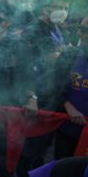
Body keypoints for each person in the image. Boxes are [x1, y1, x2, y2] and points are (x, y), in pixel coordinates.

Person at [52, 17, 88, 160]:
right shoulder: (69, 55)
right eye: (80, 28)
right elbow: (55, 86)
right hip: (67, 130)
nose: (79, 34)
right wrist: (67, 105)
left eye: (85, 30)